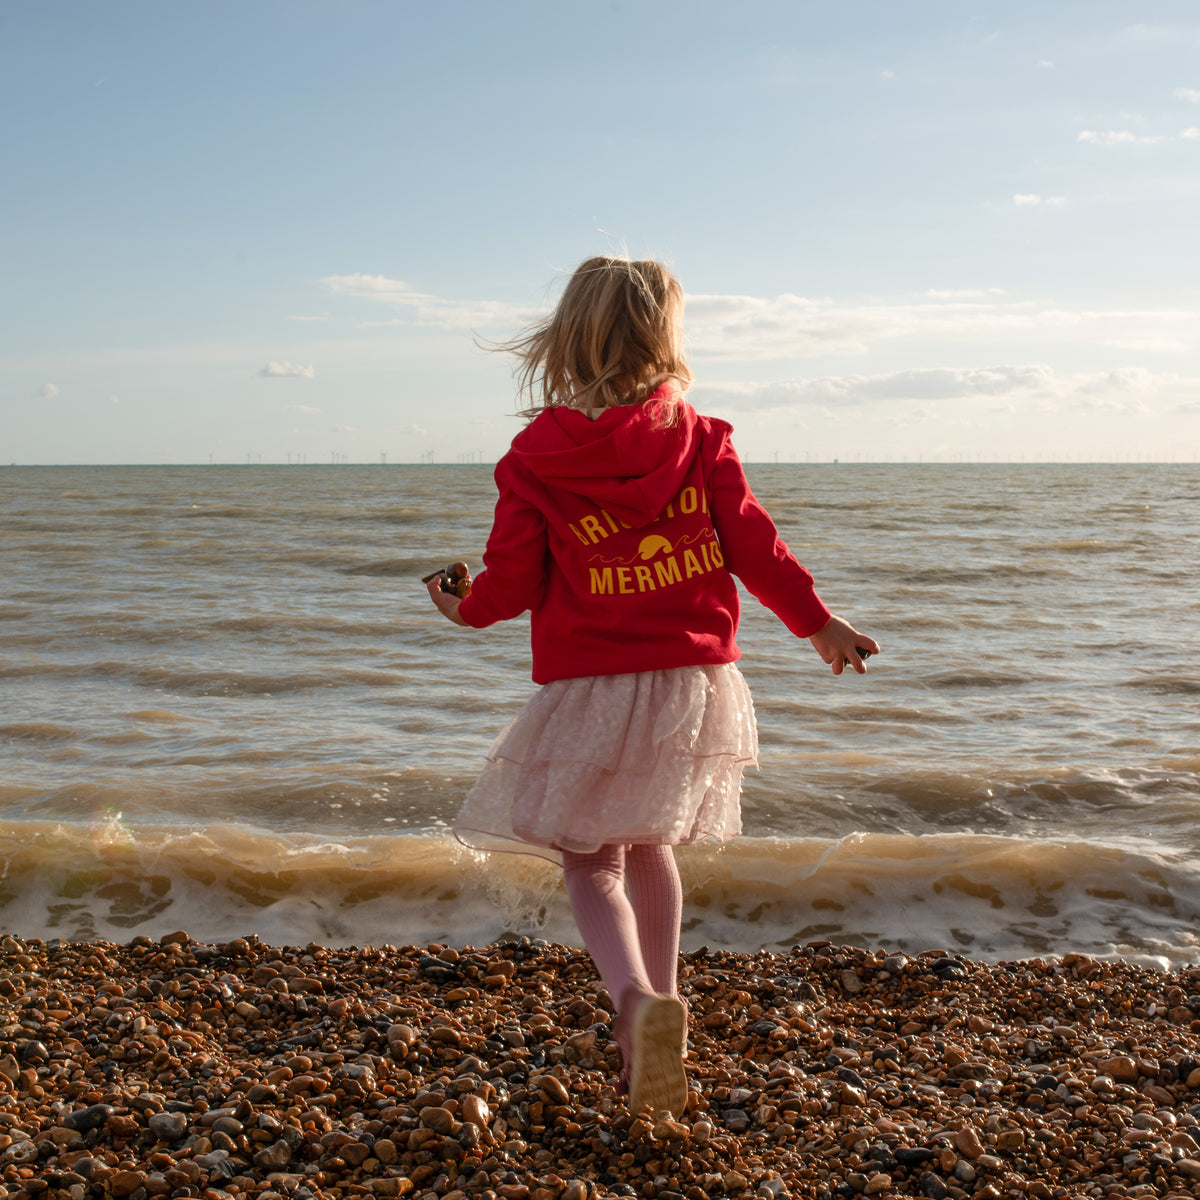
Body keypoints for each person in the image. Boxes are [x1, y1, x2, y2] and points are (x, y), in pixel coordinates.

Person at [425, 255, 879, 1115]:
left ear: (565, 337)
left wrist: (461, 609)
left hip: (591, 681)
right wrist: (819, 624)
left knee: (590, 856)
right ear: (665, 335)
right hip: (693, 678)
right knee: (653, 841)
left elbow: (511, 584)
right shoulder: (702, 437)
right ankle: (662, 1008)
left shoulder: (532, 458)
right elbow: (754, 546)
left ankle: (634, 1003)